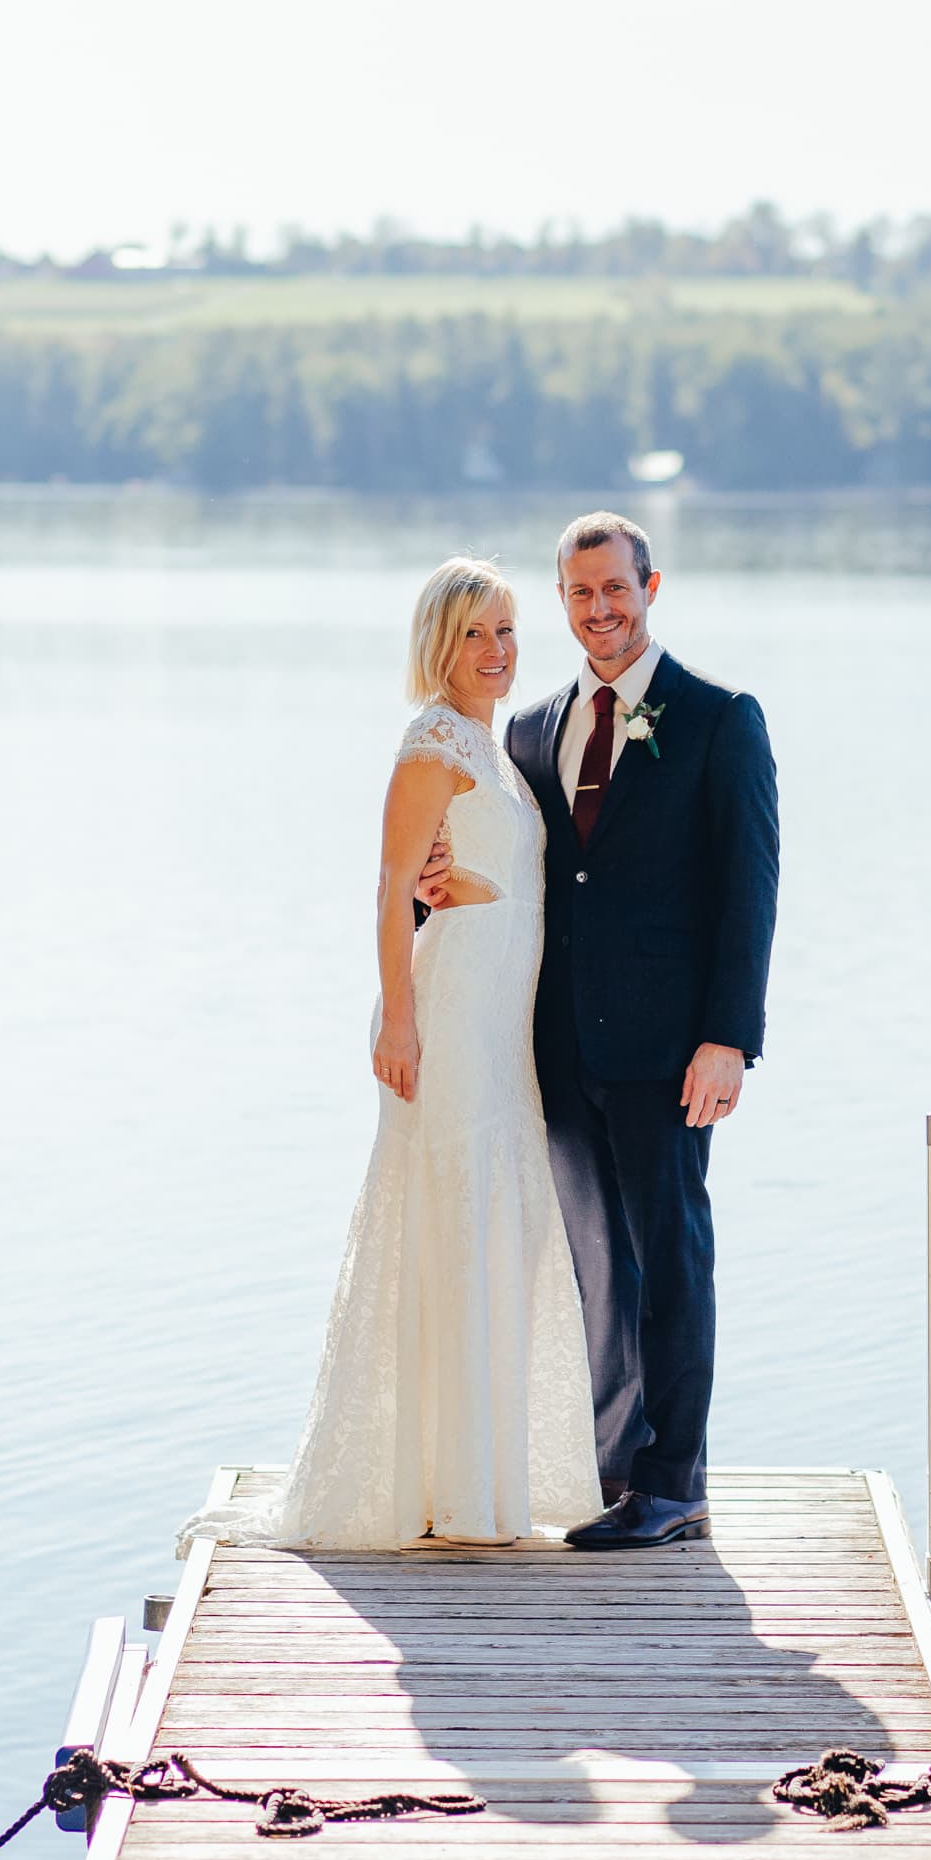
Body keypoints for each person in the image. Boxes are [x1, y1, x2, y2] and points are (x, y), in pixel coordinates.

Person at [262, 558, 602, 1548]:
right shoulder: (432, 745)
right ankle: (438, 1486)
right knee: (451, 1221)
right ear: (437, 645)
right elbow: (389, 891)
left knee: (494, 1229)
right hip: (447, 1012)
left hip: (501, 1023)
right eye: (474, 635)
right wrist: (400, 1022)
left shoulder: (490, 751)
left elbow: (491, 872)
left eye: (505, 633)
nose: (495, 653)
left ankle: (476, 1475)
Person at [501, 511, 780, 1550]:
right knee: (591, 1264)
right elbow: (517, 875)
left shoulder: (717, 718)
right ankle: (611, 1466)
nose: (598, 610)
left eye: (614, 589)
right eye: (578, 595)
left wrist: (728, 1038)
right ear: (562, 603)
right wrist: (429, 899)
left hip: (668, 1051)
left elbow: (748, 890)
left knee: (669, 1259)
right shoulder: (532, 730)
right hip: (555, 1046)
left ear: (650, 589)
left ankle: (673, 1483)